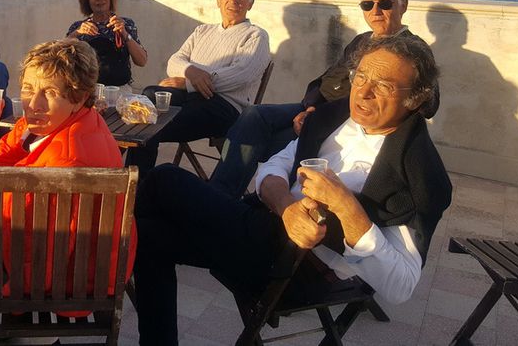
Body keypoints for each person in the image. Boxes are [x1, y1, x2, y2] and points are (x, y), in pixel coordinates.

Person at [132, 36, 452, 345]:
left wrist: (348, 209)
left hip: (295, 270)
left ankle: (93, 253)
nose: (363, 93)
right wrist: (286, 207)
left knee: (166, 179)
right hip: (263, 227)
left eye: (383, 86)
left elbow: (401, 287)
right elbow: (274, 166)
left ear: (414, 99)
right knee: (148, 236)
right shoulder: (335, 118)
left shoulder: (418, 172)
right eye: (361, 76)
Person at [210, 0, 441, 197]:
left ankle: (243, 199)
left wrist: (319, 116)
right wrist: (310, 107)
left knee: (253, 142)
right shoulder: (362, 41)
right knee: (254, 115)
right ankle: (219, 195)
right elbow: (328, 79)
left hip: (340, 121)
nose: (375, 11)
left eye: (385, 4)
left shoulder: (413, 51)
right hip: (315, 108)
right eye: (368, 4)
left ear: (404, 6)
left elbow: (429, 104)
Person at [0, 38, 133, 310]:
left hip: (69, 285)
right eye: (28, 88)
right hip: (67, 263)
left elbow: (40, 256)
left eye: (50, 92)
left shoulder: (64, 164)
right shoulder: (42, 125)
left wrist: (8, 295)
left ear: (80, 98)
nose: (33, 104)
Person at [124, 0, 271, 174]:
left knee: (147, 124)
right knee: (150, 94)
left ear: (250, 4)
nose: (232, 0)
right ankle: (136, 183)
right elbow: (175, 61)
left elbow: (240, 74)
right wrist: (189, 70)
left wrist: (187, 83)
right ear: (218, 0)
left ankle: (134, 188)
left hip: (224, 107)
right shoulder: (202, 31)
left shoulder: (256, 35)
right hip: (190, 99)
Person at [66, 0, 148, 88]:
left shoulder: (126, 24)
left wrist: (124, 34)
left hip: (119, 89)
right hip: (88, 90)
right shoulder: (78, 27)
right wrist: (76, 33)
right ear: (87, 0)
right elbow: (61, 57)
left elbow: (142, 61)